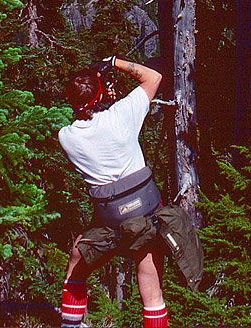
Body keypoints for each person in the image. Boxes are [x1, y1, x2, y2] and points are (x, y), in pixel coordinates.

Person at [58, 56, 168, 328]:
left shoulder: (67, 136)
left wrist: (96, 90)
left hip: (110, 219)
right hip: (145, 210)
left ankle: (70, 324)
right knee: (151, 286)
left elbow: (90, 119)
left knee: (77, 261)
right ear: (99, 95)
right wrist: (114, 62)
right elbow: (153, 77)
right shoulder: (122, 115)